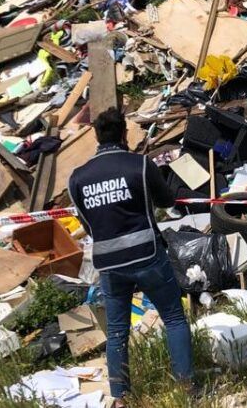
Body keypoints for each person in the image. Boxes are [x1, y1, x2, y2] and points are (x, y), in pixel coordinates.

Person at [68, 108, 192, 407]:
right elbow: (167, 201)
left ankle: (121, 398)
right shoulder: (140, 166)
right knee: (174, 318)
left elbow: (87, 225)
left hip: (109, 265)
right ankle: (187, 388)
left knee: (116, 331)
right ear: (124, 134)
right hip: (147, 255)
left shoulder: (77, 178)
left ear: (96, 137)